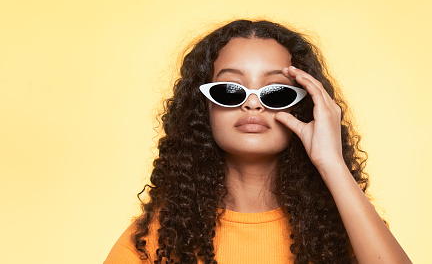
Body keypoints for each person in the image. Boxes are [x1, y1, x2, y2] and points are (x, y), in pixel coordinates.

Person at [104, 19, 412, 264]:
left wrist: (331, 163)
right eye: (230, 90)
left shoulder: (343, 233)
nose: (253, 105)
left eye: (276, 92)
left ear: (304, 107)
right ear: (204, 108)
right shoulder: (155, 243)